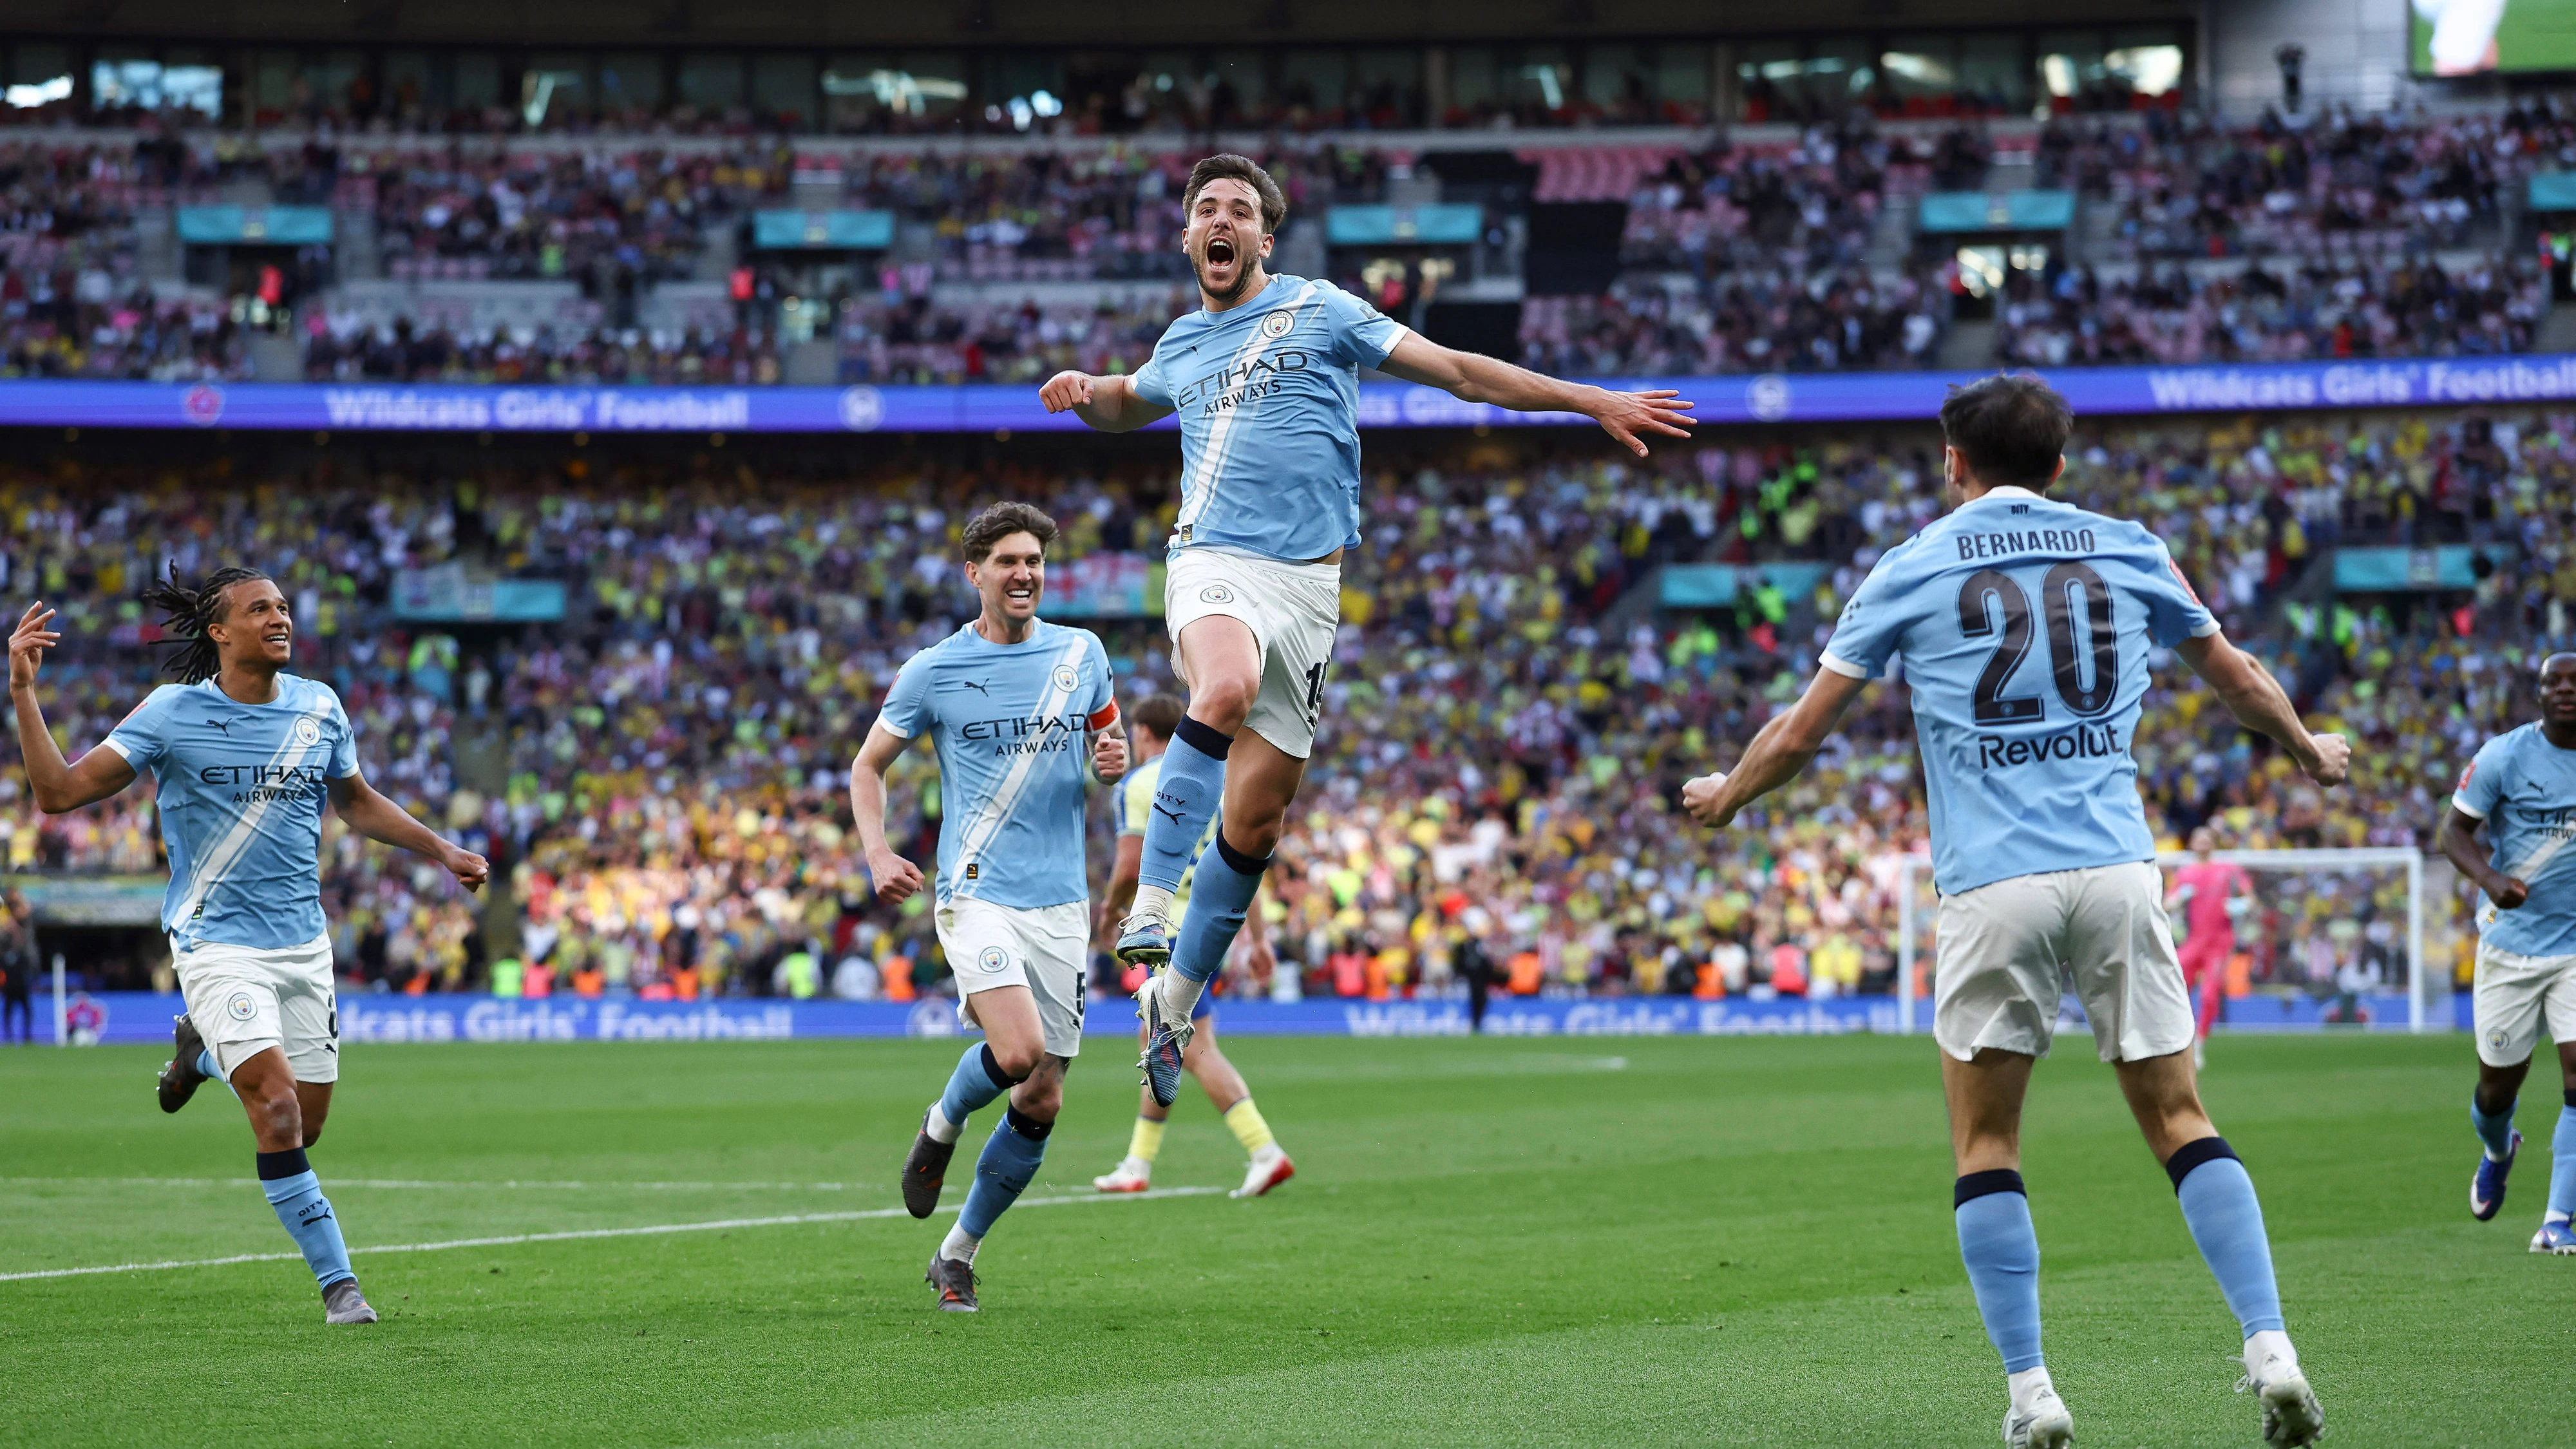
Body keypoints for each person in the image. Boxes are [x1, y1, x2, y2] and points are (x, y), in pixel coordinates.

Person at [1680, 375, 2345, 1449]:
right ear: (2061, 465)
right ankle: (2272, 1347)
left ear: (1954, 462)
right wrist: (2310, 752)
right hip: (2120, 871)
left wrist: (1727, 795)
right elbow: (2236, 678)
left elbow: (1802, 733)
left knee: (1988, 1140)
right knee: (2181, 1119)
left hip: (1994, 886)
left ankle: (2034, 1390)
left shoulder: (1913, 566)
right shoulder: (2127, 545)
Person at [1038, 151, 1694, 1106]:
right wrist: (1085, 391)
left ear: (1265, 236)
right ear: (1188, 238)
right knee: (1216, 689)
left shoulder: (1323, 309)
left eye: (1239, 211)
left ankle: (1170, 1008)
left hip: (1309, 589)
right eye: (1205, 210)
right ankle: (1149, 909)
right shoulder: (1181, 343)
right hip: (1212, 559)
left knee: (1256, 821)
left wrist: (1589, 398)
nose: (1221, 223)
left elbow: (1463, 373)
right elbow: (1126, 404)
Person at [7, 569, 489, 1325]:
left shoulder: (318, 707)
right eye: (259, 607)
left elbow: (357, 802)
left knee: (310, 1122)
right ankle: (341, 1288)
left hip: (303, 948)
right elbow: (59, 793)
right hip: (215, 943)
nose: (279, 617)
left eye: (284, 607)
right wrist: (25, 694)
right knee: (277, 1112)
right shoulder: (171, 713)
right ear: (219, 632)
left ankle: (198, 1055)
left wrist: (442, 850)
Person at [849, 502, 1129, 1313]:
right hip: (975, 893)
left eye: (1034, 560)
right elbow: (867, 767)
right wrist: (876, 852)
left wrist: (1113, 760)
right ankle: (941, 1123)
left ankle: (957, 1254)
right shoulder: (933, 670)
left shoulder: (1084, 654)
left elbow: (1108, 754)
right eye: (1007, 561)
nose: (1024, 574)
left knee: (1041, 1095)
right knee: (1016, 1052)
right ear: (974, 574)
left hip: (1060, 902)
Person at [1090, 693, 1293, 1200]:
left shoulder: (1139, 785)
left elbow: (1130, 863)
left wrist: (1110, 911)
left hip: (1163, 934)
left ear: (1141, 734)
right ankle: (1138, 1163)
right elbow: (1243, 865)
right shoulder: (1219, 785)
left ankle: (1264, 1151)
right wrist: (1260, 938)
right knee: (1156, 1044)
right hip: (1205, 930)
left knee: (1194, 1049)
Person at [2438, 651, 2576, 1251]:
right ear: (2539, 693)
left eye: (2575, 682)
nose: (2566, 690)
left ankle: (2558, 1220)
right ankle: (2499, 1148)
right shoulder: (2504, 755)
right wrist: (2493, 882)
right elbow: (2452, 833)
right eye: (2555, 682)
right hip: (2511, 948)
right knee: (2496, 1088)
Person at [2166, 826, 2255, 1066]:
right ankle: (2180, 1040)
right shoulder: (2185, 874)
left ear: (2213, 843)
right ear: (2192, 844)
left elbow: (2251, 898)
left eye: (2207, 839)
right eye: (2199, 839)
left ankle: (2199, 1043)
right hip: (2194, 941)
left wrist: (2240, 906)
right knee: (2176, 990)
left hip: (2219, 941)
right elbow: (2167, 905)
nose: (2203, 843)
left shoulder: (2228, 869)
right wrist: (2178, 899)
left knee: (2209, 994)